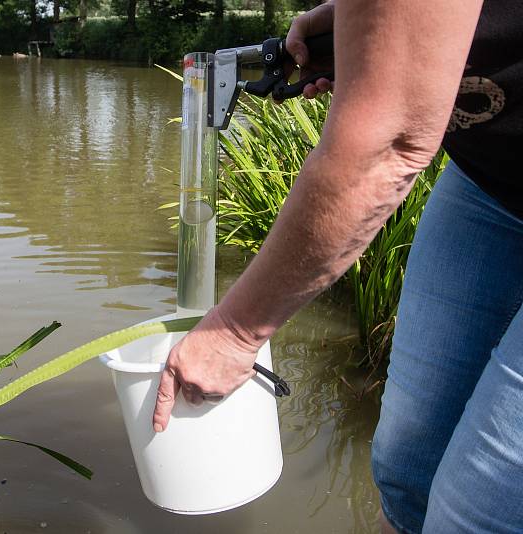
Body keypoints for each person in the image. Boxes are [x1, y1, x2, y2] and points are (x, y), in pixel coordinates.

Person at [151, 0, 523, 532]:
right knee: (405, 468)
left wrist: (234, 333)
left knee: (476, 514)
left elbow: (388, 147)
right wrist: (369, 28)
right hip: (492, 185)